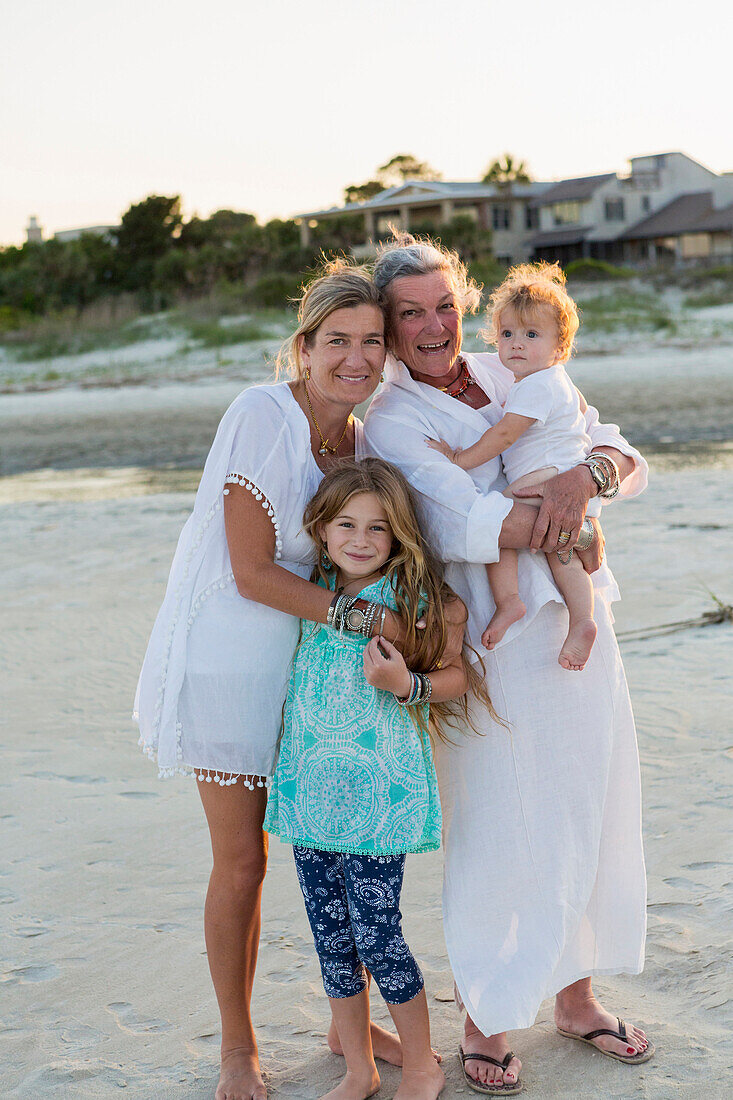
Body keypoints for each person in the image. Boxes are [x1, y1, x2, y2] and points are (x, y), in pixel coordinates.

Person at [364, 233, 654, 1094]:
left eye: (443, 305)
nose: (431, 326)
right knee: (495, 822)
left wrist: (588, 478)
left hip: (579, 628)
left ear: (465, 303)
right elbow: (452, 518)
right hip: (489, 638)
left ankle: (575, 996)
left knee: (584, 800)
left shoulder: (513, 363)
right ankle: (486, 1017)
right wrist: (564, 506)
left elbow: (618, 451)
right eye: (409, 313)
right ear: (386, 325)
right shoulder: (391, 416)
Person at [134, 262, 409, 1100]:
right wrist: (369, 621)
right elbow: (252, 572)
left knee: (334, 847)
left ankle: (344, 1023)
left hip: (310, 660)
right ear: (304, 346)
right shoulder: (261, 414)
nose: (355, 358)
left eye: (371, 342)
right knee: (243, 861)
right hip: (234, 655)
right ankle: (236, 1047)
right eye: (337, 342)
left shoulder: (359, 440)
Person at [266, 457, 484, 1100]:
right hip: (310, 789)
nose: (360, 540)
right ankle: (358, 1064)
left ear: (398, 537)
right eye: (346, 525)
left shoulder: (418, 600)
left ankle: (421, 1064)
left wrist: (407, 684)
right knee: (330, 933)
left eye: (377, 529)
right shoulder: (313, 588)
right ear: (322, 529)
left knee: (379, 932)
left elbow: (454, 678)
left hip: (375, 794)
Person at [427, 262, 602, 671]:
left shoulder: (537, 385)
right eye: (507, 334)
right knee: (564, 557)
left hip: (548, 478)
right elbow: (579, 416)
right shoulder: (551, 380)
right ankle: (582, 620)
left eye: (531, 335)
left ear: (560, 346)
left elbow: (503, 436)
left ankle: (509, 603)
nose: (516, 344)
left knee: (493, 525)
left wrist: (458, 458)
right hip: (561, 474)